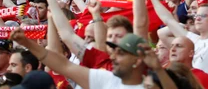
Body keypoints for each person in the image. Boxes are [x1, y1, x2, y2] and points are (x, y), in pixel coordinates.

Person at [9, 28, 171, 89]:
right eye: (113, 52)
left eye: (121, 53)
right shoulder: (106, 79)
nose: (113, 57)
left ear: (137, 60)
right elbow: (64, 66)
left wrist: (157, 68)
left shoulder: (150, 86)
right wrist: (28, 44)